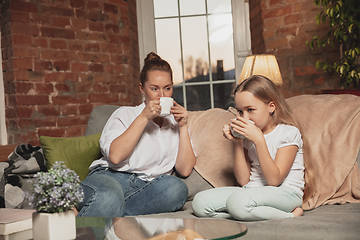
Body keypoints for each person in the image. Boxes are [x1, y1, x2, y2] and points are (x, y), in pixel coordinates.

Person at [77, 52, 196, 217]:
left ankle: (107, 212)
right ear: (142, 88)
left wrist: (183, 127)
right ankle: (107, 208)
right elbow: (116, 157)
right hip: (110, 178)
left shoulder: (175, 123)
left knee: (177, 188)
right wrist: (144, 117)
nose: (162, 96)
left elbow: (184, 170)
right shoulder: (124, 114)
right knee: (109, 197)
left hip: (146, 190)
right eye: (154, 89)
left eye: (167, 88)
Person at [192, 75, 305, 221]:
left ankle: (290, 215)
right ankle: (244, 212)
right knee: (200, 202)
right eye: (240, 112)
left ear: (271, 107)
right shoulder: (247, 136)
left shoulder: (288, 133)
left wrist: (259, 140)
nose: (244, 118)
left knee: (237, 202)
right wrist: (238, 142)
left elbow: (274, 181)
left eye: (250, 110)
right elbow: (243, 181)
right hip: (251, 192)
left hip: (286, 193)